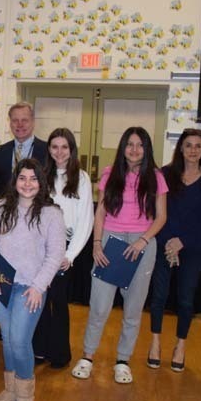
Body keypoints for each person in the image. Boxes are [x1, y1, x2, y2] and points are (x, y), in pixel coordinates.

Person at [72, 127, 167, 385]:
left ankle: (123, 361)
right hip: (110, 244)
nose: (134, 150)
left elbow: (161, 217)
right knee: (99, 306)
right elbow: (100, 213)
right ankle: (88, 357)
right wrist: (97, 244)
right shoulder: (109, 174)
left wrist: (142, 241)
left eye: (140, 145)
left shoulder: (156, 177)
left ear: (146, 149)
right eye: (129, 144)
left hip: (142, 246)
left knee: (133, 309)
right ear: (122, 147)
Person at [0, 159, 65, 401]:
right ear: (15, 181)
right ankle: (11, 390)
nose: (28, 184)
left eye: (33, 179)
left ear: (41, 182)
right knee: (7, 338)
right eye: (23, 178)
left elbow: (55, 254)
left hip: (31, 288)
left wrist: (40, 287)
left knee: (19, 340)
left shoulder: (52, 214)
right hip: (1, 286)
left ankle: (26, 394)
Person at [148, 129, 201, 372]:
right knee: (158, 296)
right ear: (180, 148)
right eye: (188, 145)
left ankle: (180, 345)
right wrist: (169, 241)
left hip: (193, 247)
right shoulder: (166, 174)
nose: (192, 150)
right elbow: (158, 210)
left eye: (198, 146)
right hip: (164, 243)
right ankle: (155, 342)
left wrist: (182, 242)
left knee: (186, 299)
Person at [32, 128, 93, 369]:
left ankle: (59, 353)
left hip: (65, 248)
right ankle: (38, 348)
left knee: (58, 300)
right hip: (39, 247)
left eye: (64, 147)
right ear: (49, 149)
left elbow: (85, 221)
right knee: (38, 297)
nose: (59, 152)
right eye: (55, 146)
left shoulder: (82, 178)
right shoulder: (40, 175)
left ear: (72, 149)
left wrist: (69, 255)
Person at [0, 102, 48, 191]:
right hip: (6, 204)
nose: (20, 124)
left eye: (24, 120)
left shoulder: (47, 151)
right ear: (10, 123)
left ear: (33, 122)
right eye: (15, 120)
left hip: (38, 204)